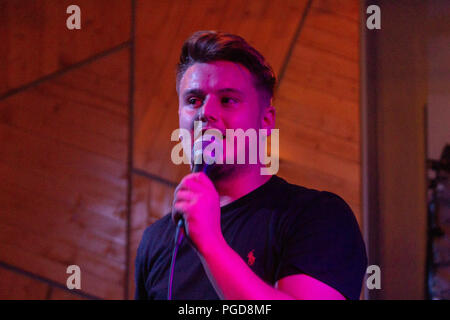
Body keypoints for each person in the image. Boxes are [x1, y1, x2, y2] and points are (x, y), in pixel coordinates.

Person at [135, 31, 367, 300]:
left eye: (228, 100)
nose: (205, 113)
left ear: (266, 121)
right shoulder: (155, 242)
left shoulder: (317, 216)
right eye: (193, 100)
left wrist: (210, 242)